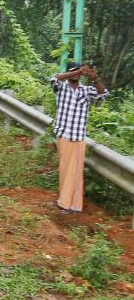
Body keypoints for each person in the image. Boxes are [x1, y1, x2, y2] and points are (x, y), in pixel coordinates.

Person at [51, 62, 108, 213]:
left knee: (73, 171)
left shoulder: (87, 90)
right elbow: (55, 79)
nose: (76, 74)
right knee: (64, 169)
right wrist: (76, 71)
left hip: (77, 136)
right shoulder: (61, 88)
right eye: (73, 71)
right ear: (68, 72)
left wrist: (95, 78)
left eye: (79, 72)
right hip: (63, 134)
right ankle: (64, 200)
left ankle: (68, 204)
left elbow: (103, 96)